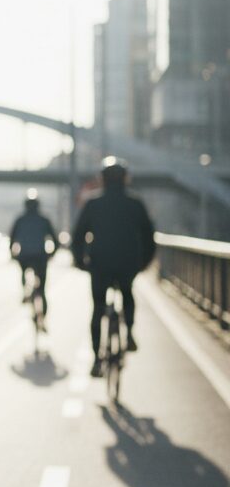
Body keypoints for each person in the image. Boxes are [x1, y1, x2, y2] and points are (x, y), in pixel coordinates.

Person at [71, 157, 156, 377]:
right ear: (126, 179)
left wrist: (80, 261)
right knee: (127, 293)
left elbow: (78, 236)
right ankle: (129, 334)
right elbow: (148, 236)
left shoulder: (92, 203)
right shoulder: (136, 203)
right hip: (128, 263)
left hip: (99, 264)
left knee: (98, 309)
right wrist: (144, 263)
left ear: (102, 180)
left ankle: (97, 360)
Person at [8, 189, 57, 323]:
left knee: (23, 270)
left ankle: (25, 290)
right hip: (41, 257)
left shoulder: (20, 220)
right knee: (42, 289)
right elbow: (54, 239)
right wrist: (51, 254)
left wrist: (12, 254)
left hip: (24, 256)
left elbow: (12, 238)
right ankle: (44, 316)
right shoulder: (44, 220)